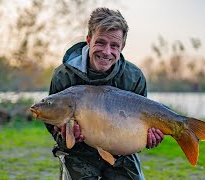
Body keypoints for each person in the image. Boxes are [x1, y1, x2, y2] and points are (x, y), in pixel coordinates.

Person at [45, 7, 164, 180]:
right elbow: (52, 123)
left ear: (122, 46)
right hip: (78, 152)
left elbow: (140, 127)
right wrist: (65, 136)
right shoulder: (63, 76)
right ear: (88, 40)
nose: (107, 52)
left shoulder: (134, 78)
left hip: (120, 153)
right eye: (100, 42)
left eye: (114, 45)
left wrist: (148, 139)